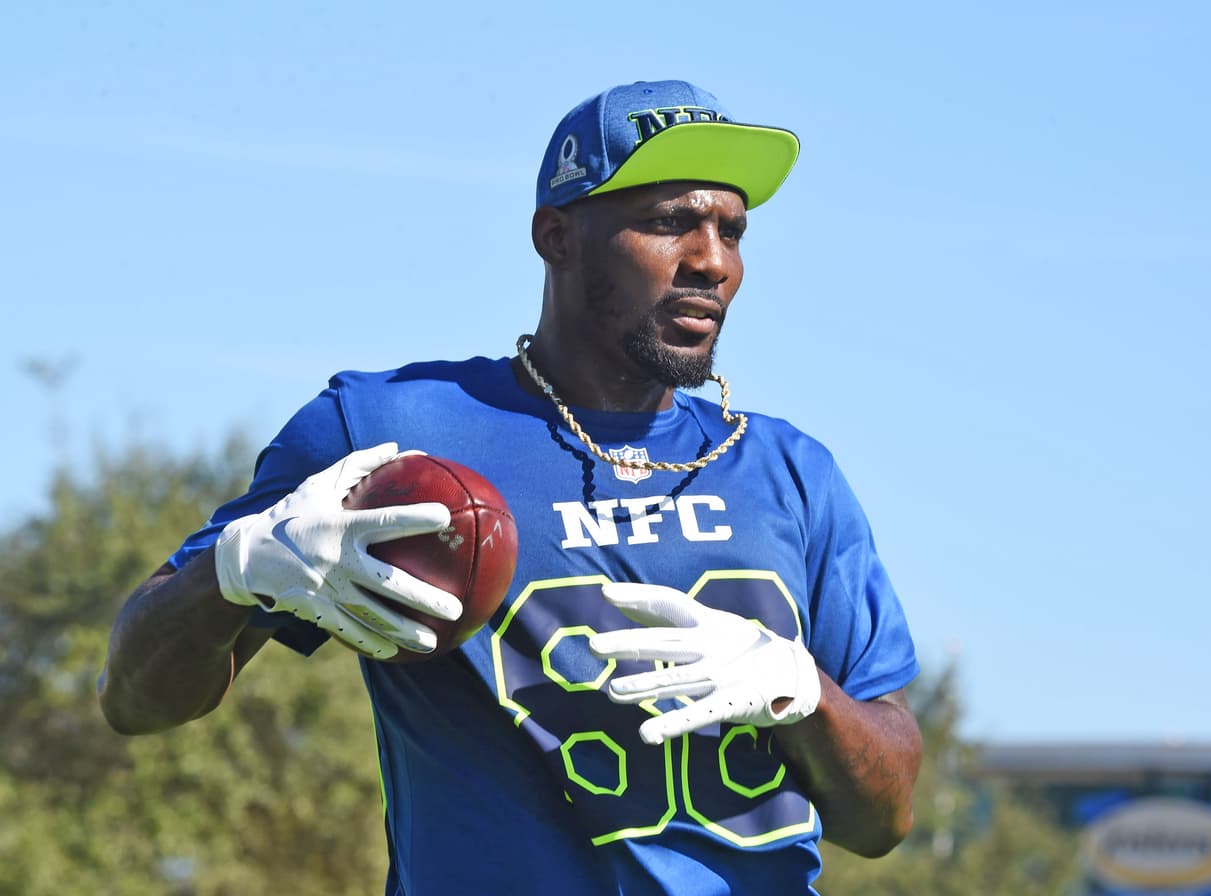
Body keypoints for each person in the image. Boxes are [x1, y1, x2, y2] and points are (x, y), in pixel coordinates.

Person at [99, 79, 922, 895]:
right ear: (557, 237)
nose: (712, 260)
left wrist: (802, 695)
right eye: (671, 222)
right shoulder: (390, 430)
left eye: (731, 230)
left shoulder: (792, 472)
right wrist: (239, 570)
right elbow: (135, 698)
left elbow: (882, 819)